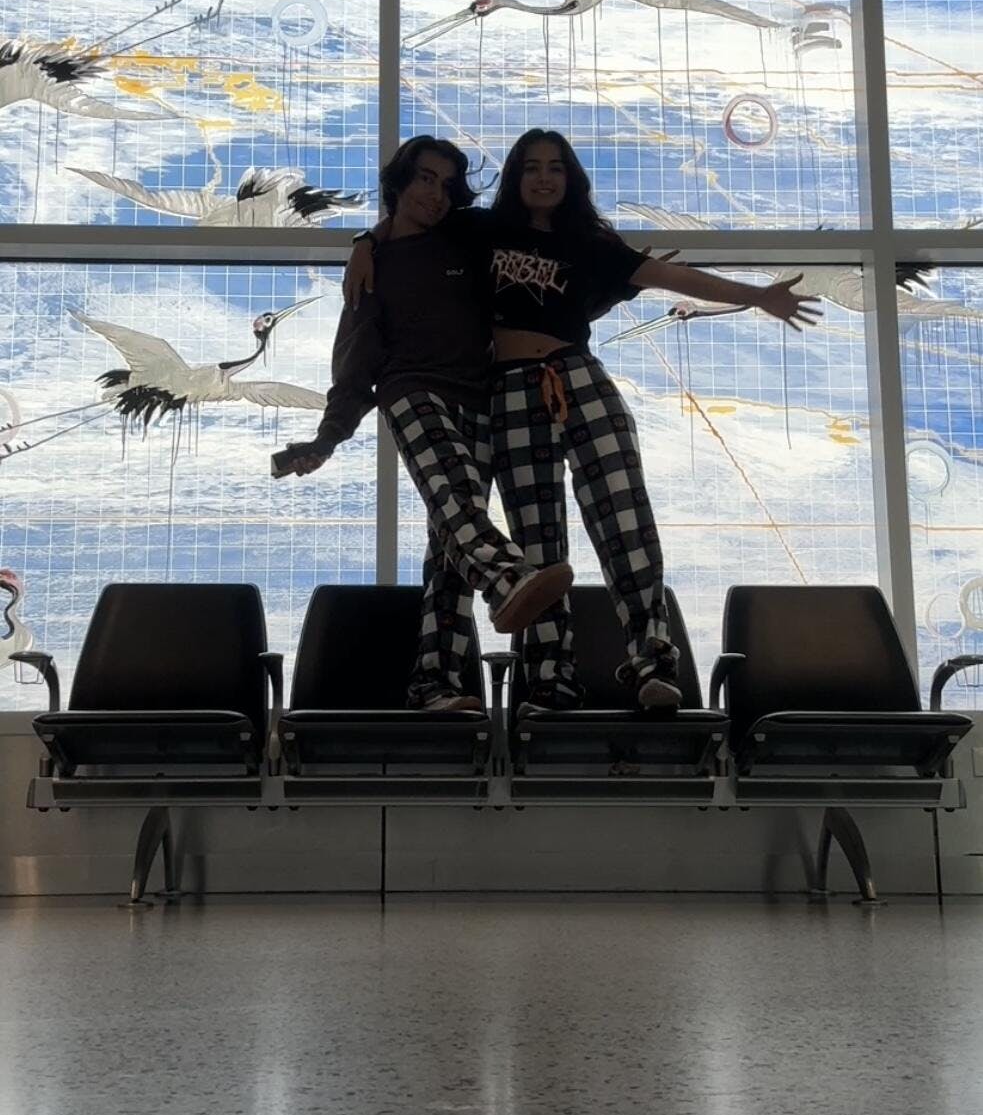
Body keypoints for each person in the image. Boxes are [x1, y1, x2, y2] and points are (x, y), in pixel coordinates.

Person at [345, 128, 819, 715]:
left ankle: (653, 665)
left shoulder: (591, 242)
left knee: (625, 519)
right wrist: (364, 241)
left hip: (578, 378)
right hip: (508, 393)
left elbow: (672, 278)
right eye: (531, 167)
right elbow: (409, 225)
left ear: (570, 180)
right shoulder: (481, 228)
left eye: (556, 168)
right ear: (515, 177)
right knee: (539, 538)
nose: (543, 178)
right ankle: (550, 679)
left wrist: (757, 295)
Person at [272, 135, 572, 713]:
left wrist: (364, 237)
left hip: (480, 399)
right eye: (425, 179)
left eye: (447, 185)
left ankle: (435, 683)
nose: (436, 195)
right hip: (409, 390)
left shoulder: (466, 238)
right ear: (400, 183)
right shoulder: (374, 266)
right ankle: (507, 578)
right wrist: (329, 437)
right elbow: (355, 359)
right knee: (458, 498)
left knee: (450, 546)